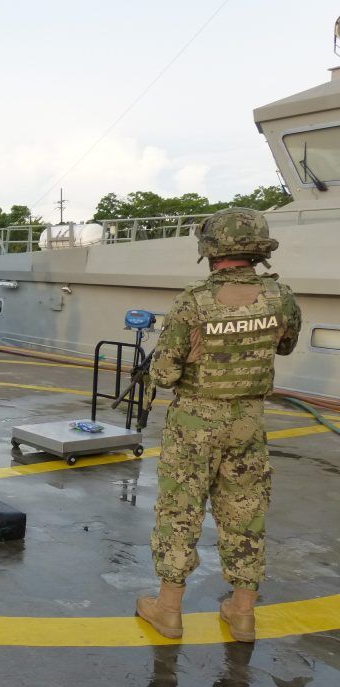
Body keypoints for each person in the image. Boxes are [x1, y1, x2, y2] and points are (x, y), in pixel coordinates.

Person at [135, 208, 302, 642]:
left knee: (180, 509)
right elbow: (285, 346)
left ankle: (169, 611)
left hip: (194, 421)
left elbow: (165, 373)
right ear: (258, 249)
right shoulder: (281, 297)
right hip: (248, 421)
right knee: (246, 511)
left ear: (211, 250)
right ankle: (242, 614)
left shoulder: (192, 301)